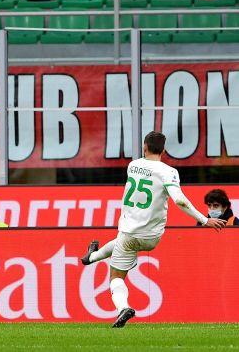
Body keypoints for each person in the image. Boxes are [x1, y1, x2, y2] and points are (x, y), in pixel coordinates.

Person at [80, 131, 226, 328]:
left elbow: (148, 170)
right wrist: (203, 219)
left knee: (116, 276)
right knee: (121, 242)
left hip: (130, 231)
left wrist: (203, 220)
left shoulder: (133, 166)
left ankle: (123, 307)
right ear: (164, 150)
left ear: (144, 147)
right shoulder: (169, 172)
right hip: (152, 237)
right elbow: (180, 200)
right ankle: (91, 257)